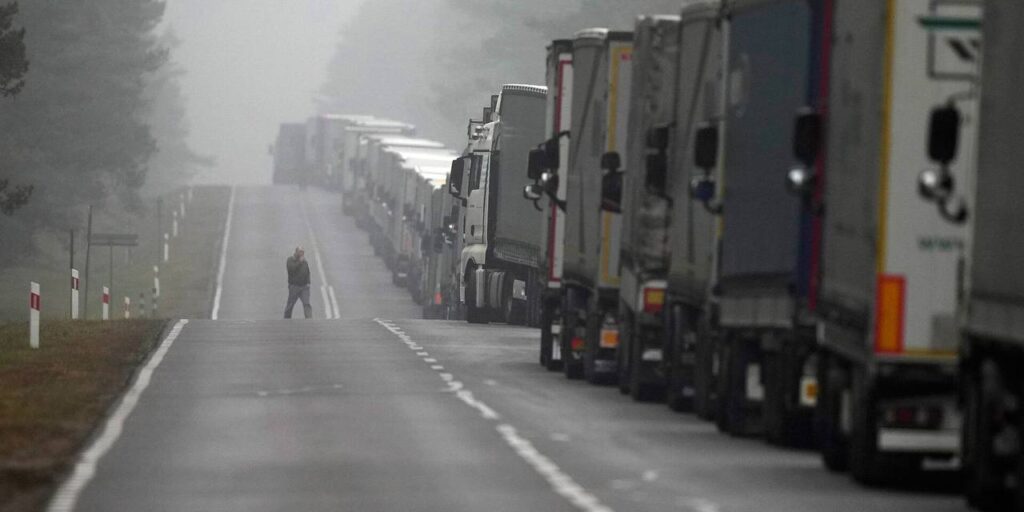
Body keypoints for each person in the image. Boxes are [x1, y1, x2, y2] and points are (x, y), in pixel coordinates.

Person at [284, 246, 313, 319]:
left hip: (304, 287)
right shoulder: (290, 260)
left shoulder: (304, 262)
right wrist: (299, 262)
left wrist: (308, 282)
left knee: (306, 304)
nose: (302, 254)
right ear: (296, 252)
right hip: (294, 287)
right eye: (300, 252)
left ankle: (309, 320)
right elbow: (291, 269)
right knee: (290, 304)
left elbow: (307, 271)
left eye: (303, 252)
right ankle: (286, 319)